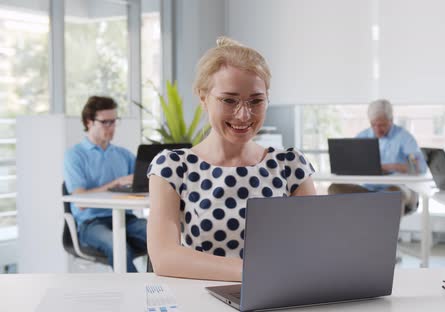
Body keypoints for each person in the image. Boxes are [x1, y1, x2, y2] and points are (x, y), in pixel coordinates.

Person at [146, 37, 316, 282]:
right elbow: (165, 257)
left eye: (256, 101)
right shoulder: (173, 167)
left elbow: (315, 248)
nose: (244, 114)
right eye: (229, 100)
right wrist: (258, 272)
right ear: (203, 98)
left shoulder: (290, 166)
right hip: (203, 300)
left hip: (277, 298)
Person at [64, 96, 147, 272]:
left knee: (159, 235)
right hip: (92, 223)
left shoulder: (124, 155)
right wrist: (115, 183)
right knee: (117, 244)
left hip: (126, 218)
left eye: (114, 121)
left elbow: (142, 184)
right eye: (105, 122)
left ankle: (159, 288)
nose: (111, 127)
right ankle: (136, 293)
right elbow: (80, 200)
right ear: (89, 122)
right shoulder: (75, 155)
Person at [328, 99, 427, 213]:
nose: (377, 129)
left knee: (393, 192)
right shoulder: (363, 136)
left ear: (391, 120)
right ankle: (348, 229)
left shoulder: (404, 138)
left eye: (382, 125)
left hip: (400, 189)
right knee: (335, 189)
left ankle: (386, 230)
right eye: (373, 124)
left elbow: (420, 167)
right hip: (369, 189)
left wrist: (388, 167)